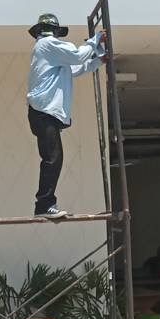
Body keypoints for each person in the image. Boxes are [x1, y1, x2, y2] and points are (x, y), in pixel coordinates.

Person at [27, 12, 106, 218]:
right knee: (53, 158)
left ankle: (44, 204)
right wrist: (95, 40)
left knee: (54, 158)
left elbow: (75, 68)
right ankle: (44, 205)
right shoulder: (47, 44)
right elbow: (78, 56)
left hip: (43, 112)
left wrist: (99, 61)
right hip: (43, 112)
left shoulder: (51, 54)